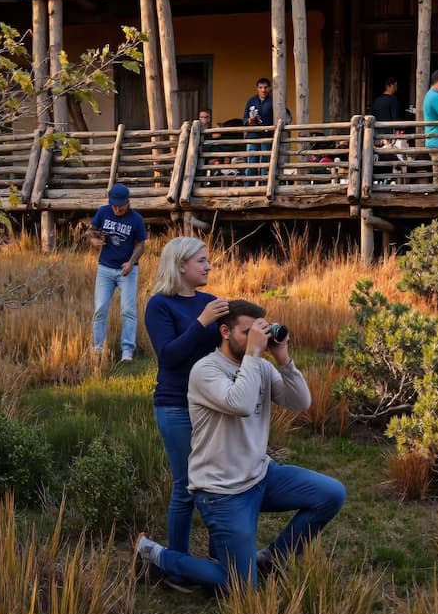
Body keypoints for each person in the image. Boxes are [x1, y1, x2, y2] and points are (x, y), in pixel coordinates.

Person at [135, 300, 345, 592]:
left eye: (259, 331)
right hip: (222, 492)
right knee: (243, 587)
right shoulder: (205, 370)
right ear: (224, 331)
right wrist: (255, 354)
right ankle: (154, 555)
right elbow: (242, 403)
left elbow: (301, 403)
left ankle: (272, 558)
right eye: (247, 332)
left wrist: (283, 358)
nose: (255, 339)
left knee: (331, 494)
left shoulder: (258, 366)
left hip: (260, 476)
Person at [143, 236, 225, 563]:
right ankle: (177, 562)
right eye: (201, 261)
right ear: (180, 266)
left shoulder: (210, 301)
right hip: (175, 404)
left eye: (208, 260)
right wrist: (203, 321)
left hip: (211, 404)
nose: (209, 265)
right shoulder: (160, 305)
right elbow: (169, 355)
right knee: (187, 486)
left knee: (217, 483)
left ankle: (221, 557)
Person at [88, 183, 146, 362]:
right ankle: (97, 349)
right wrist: (92, 239)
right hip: (104, 268)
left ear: (128, 202)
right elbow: (90, 230)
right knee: (100, 309)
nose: (117, 209)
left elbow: (140, 245)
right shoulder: (103, 212)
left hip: (126, 270)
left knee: (128, 310)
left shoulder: (136, 219)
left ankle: (127, 351)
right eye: (114, 205)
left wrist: (131, 263)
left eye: (121, 206)